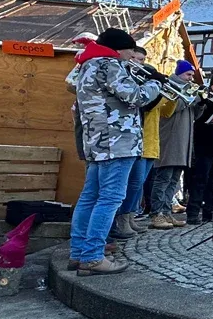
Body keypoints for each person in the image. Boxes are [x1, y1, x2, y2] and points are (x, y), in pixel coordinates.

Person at [69, 28, 162, 275]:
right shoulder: (109, 64)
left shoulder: (87, 64)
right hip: (118, 142)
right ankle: (92, 256)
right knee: (109, 199)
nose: (133, 56)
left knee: (90, 197)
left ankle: (78, 252)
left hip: (97, 142)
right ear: (120, 48)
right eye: (131, 51)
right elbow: (135, 97)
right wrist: (155, 84)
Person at [110, 47, 165, 239]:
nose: (138, 63)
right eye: (135, 58)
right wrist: (155, 86)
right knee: (132, 183)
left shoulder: (141, 77)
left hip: (146, 139)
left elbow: (161, 108)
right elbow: (143, 103)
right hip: (131, 140)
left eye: (141, 60)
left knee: (138, 183)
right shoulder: (124, 77)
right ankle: (121, 220)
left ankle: (129, 216)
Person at [148, 61, 198, 230]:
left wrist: (200, 103)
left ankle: (167, 211)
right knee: (163, 179)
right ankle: (156, 214)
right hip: (169, 139)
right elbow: (171, 109)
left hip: (183, 142)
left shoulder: (189, 89)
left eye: (192, 76)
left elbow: (194, 115)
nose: (191, 79)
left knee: (174, 181)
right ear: (179, 74)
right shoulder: (170, 87)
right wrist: (190, 97)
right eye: (188, 75)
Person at [186, 71, 213, 224]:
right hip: (205, 145)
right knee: (200, 180)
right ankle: (193, 212)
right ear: (212, 85)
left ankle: (211, 211)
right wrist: (204, 102)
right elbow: (198, 117)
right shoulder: (204, 98)